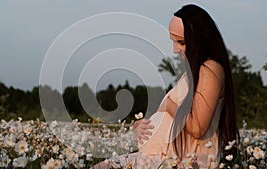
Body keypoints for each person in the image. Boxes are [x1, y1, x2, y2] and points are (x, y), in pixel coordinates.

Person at [92, 4, 239, 168]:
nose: (175, 50)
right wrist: (141, 128)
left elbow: (197, 128)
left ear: (200, 39)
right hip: (166, 157)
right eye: (174, 41)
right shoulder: (195, 71)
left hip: (186, 161)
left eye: (181, 42)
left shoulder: (210, 70)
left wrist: (169, 104)